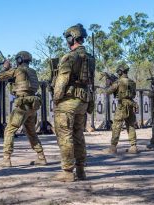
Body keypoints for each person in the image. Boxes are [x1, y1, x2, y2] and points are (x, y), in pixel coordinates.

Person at [53, 23, 95, 182]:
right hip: (83, 101)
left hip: (68, 101)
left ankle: (67, 172)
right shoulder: (90, 58)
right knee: (78, 135)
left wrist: (56, 98)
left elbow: (62, 80)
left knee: (65, 136)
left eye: (67, 38)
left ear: (71, 38)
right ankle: (81, 170)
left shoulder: (70, 57)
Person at [0, 51, 47, 167]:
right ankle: (41, 157)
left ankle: (6, 159)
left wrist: (5, 68)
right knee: (31, 131)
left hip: (22, 104)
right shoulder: (32, 71)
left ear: (19, 60)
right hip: (32, 105)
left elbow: (0, 77)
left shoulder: (17, 70)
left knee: (9, 130)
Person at [102, 63, 139, 154]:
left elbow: (108, 92)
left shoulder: (118, 82)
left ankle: (113, 147)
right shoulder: (132, 82)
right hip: (130, 104)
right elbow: (133, 94)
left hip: (122, 104)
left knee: (116, 125)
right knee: (130, 125)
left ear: (120, 71)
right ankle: (133, 146)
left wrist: (108, 84)